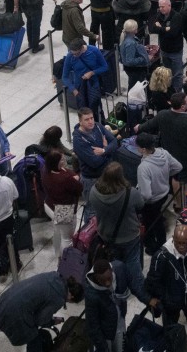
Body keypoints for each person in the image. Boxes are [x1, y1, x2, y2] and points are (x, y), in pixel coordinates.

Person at [146, 224, 187, 351]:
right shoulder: (162, 256)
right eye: (178, 243)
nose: (181, 246)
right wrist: (164, 297)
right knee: (170, 325)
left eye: (185, 243)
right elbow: (153, 281)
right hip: (171, 300)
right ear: (173, 238)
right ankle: (170, 345)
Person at [89, 163, 149, 302]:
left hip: (106, 236)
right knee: (133, 262)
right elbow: (141, 205)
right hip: (129, 236)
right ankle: (140, 289)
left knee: (114, 262)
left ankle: (119, 288)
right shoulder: (130, 193)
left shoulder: (94, 192)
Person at [0, 271, 84, 352]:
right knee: (34, 340)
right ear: (71, 297)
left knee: (35, 333)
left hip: (5, 299)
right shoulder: (59, 298)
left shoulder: (54, 276)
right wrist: (52, 321)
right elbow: (40, 320)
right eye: (71, 302)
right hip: (14, 312)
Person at [139, 92, 187, 191]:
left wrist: (139, 127)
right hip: (185, 159)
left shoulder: (163, 114)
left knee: (175, 178)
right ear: (182, 106)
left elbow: (149, 125)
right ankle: (183, 203)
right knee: (184, 183)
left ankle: (177, 203)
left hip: (168, 156)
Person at [72, 108, 118, 221]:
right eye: (86, 119)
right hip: (91, 180)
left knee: (107, 204)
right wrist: (108, 151)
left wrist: (103, 151)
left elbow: (114, 142)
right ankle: (89, 235)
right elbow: (94, 163)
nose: (90, 121)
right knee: (91, 210)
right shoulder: (78, 140)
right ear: (80, 121)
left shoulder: (98, 126)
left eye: (91, 118)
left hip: (105, 175)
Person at [84, 258, 129, 352]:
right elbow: (93, 325)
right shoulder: (91, 294)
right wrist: (103, 348)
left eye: (109, 279)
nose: (108, 283)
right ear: (96, 278)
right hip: (106, 333)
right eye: (102, 281)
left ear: (112, 271)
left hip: (120, 323)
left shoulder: (119, 269)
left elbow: (133, 284)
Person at [62, 37, 109, 115]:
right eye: (73, 53)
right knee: (83, 112)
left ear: (82, 48)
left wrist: (92, 73)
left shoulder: (94, 51)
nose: (74, 56)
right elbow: (65, 76)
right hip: (79, 87)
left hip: (93, 85)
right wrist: (73, 90)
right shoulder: (70, 56)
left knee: (95, 110)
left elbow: (105, 66)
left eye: (76, 54)